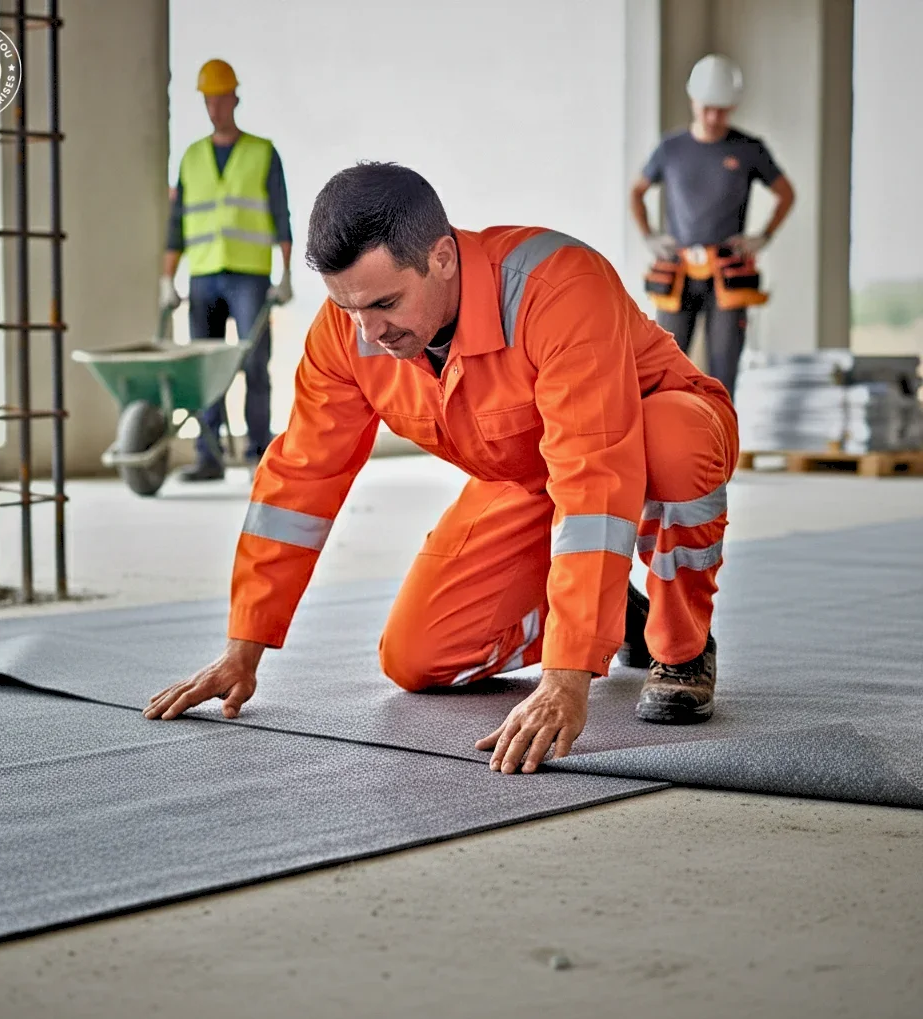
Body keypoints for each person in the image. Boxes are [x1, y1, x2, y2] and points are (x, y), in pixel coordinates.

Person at [145, 162, 740, 775]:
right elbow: (299, 479)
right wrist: (243, 648)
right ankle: (617, 614)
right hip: (529, 476)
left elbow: (595, 481)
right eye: (349, 307)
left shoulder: (557, 286)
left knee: (673, 441)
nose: (370, 332)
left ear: (443, 258)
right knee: (416, 657)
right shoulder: (351, 332)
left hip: (636, 434)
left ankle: (681, 644)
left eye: (385, 303)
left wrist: (566, 677)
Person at [630, 54, 795, 397]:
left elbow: (786, 193)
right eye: (706, 108)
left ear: (732, 106)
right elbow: (637, 192)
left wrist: (763, 237)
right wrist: (650, 237)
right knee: (664, 372)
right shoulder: (671, 149)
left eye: (721, 110)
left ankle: (722, 433)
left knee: (722, 376)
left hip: (727, 272)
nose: (712, 118)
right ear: (693, 100)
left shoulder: (748, 149)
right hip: (678, 272)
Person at [160, 58, 295, 481]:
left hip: (249, 274)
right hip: (203, 275)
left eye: (220, 99)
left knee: (254, 364)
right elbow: (176, 224)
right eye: (208, 100)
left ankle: (259, 454)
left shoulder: (262, 152)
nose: (214, 108)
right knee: (206, 369)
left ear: (235, 98)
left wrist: (286, 273)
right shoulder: (192, 157)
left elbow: (281, 216)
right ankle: (209, 457)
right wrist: (167, 278)